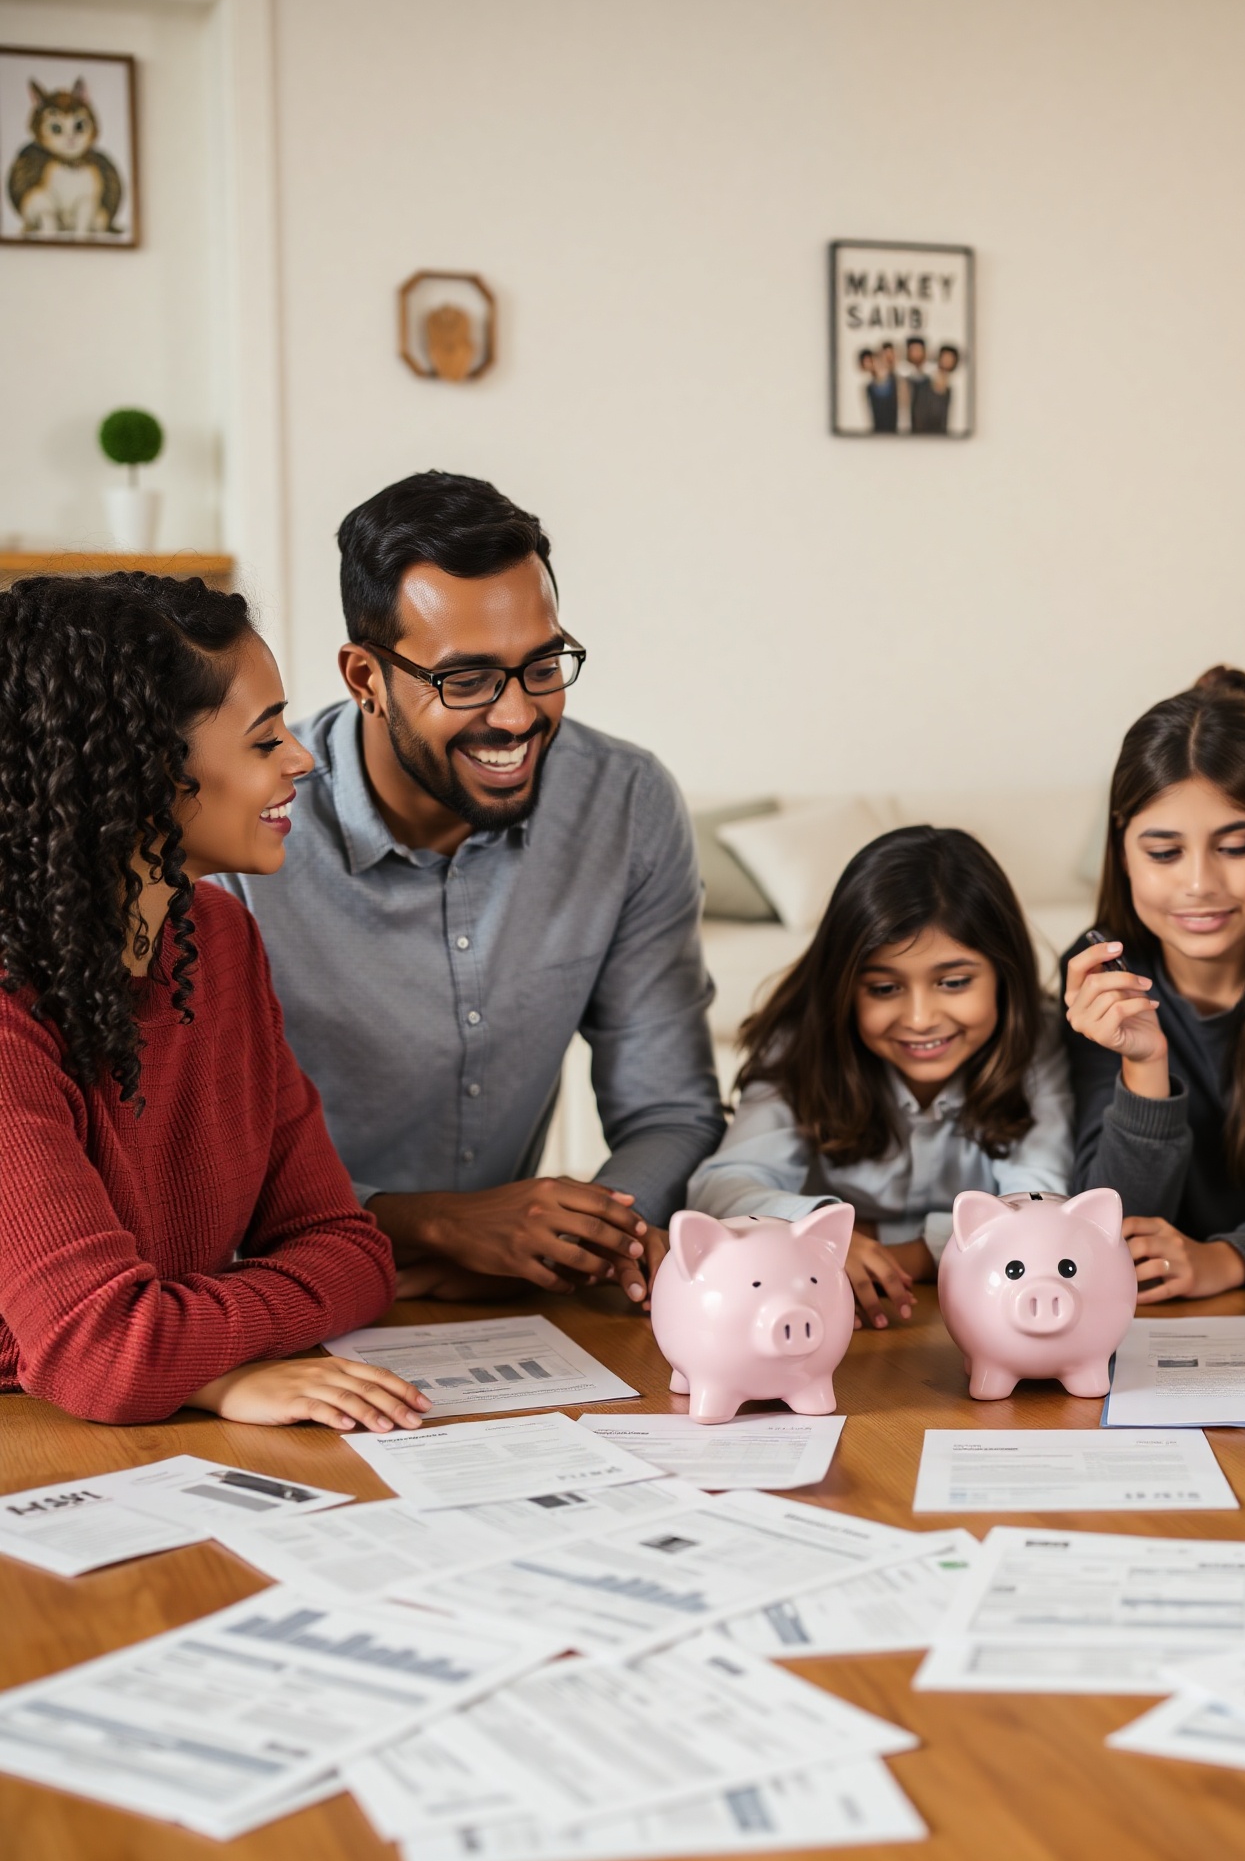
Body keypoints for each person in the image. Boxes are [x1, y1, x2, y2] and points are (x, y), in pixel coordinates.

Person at [214, 472, 722, 1307]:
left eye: (542, 665)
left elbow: (670, 1112)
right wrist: (437, 1225)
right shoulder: (243, 833)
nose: (517, 717)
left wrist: (587, 1233)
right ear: (365, 679)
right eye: (468, 680)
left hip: (508, 1302)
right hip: (280, 1297)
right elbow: (202, 1168)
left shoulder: (626, 803)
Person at [0, 574, 420, 1430]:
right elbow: (101, 1352)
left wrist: (177, 1350)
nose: (302, 759)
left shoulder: (220, 942)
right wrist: (197, 1368)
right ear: (140, 769)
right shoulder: (11, 1007)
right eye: (265, 739)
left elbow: (350, 1251)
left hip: (130, 1429)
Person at [688, 826, 1072, 1328]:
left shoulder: (1037, 1039)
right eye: (885, 988)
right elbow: (720, 1190)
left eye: (954, 982)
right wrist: (819, 1228)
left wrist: (891, 1249)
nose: (920, 1019)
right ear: (844, 987)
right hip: (826, 1312)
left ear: (1005, 975)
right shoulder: (803, 1043)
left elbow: (1041, 1210)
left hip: (986, 1312)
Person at [1063, 668, 1245, 1296]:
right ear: (1122, 850)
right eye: (1164, 853)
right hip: (1150, 1312)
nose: (1200, 884)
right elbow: (1105, 1227)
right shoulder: (1101, 976)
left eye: (1233, 847)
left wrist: (1224, 1259)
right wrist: (1144, 1064)